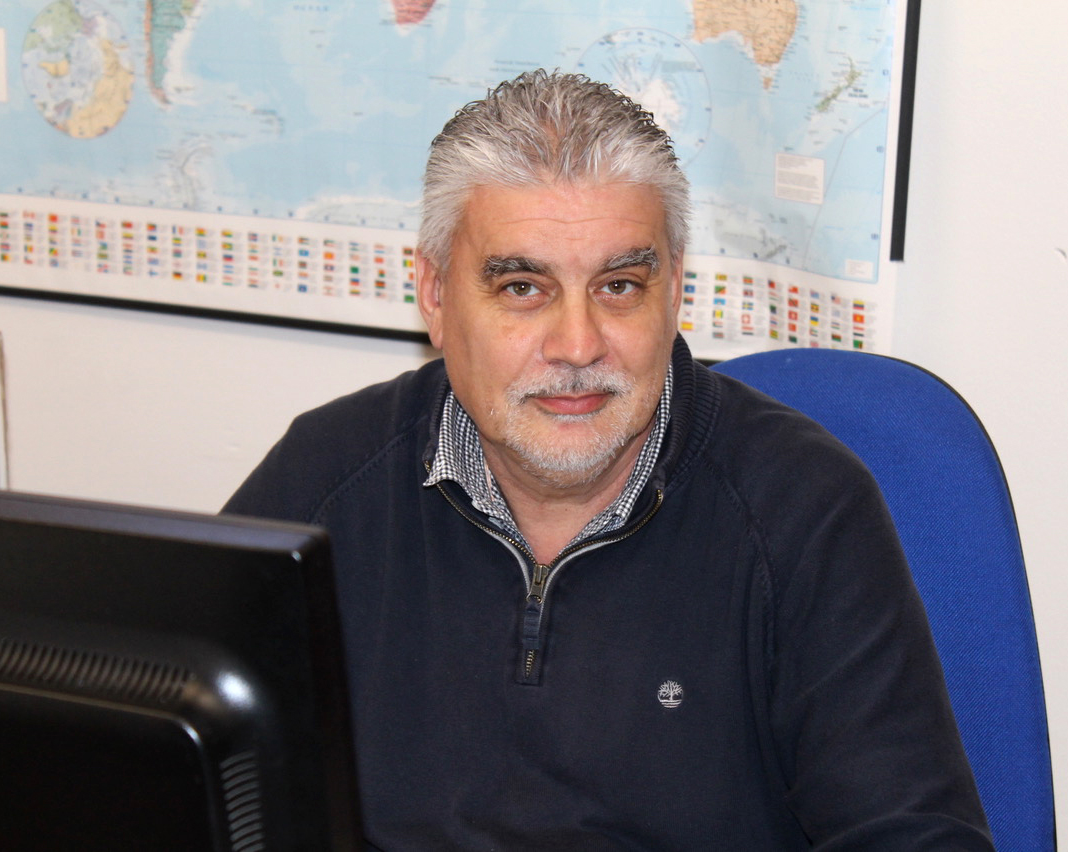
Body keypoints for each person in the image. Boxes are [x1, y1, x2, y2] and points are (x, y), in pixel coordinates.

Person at [224, 69, 994, 849]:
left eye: (619, 285)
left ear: (674, 289)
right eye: (522, 288)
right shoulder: (322, 486)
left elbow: (914, 836)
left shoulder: (804, 510)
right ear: (434, 294)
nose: (578, 345)